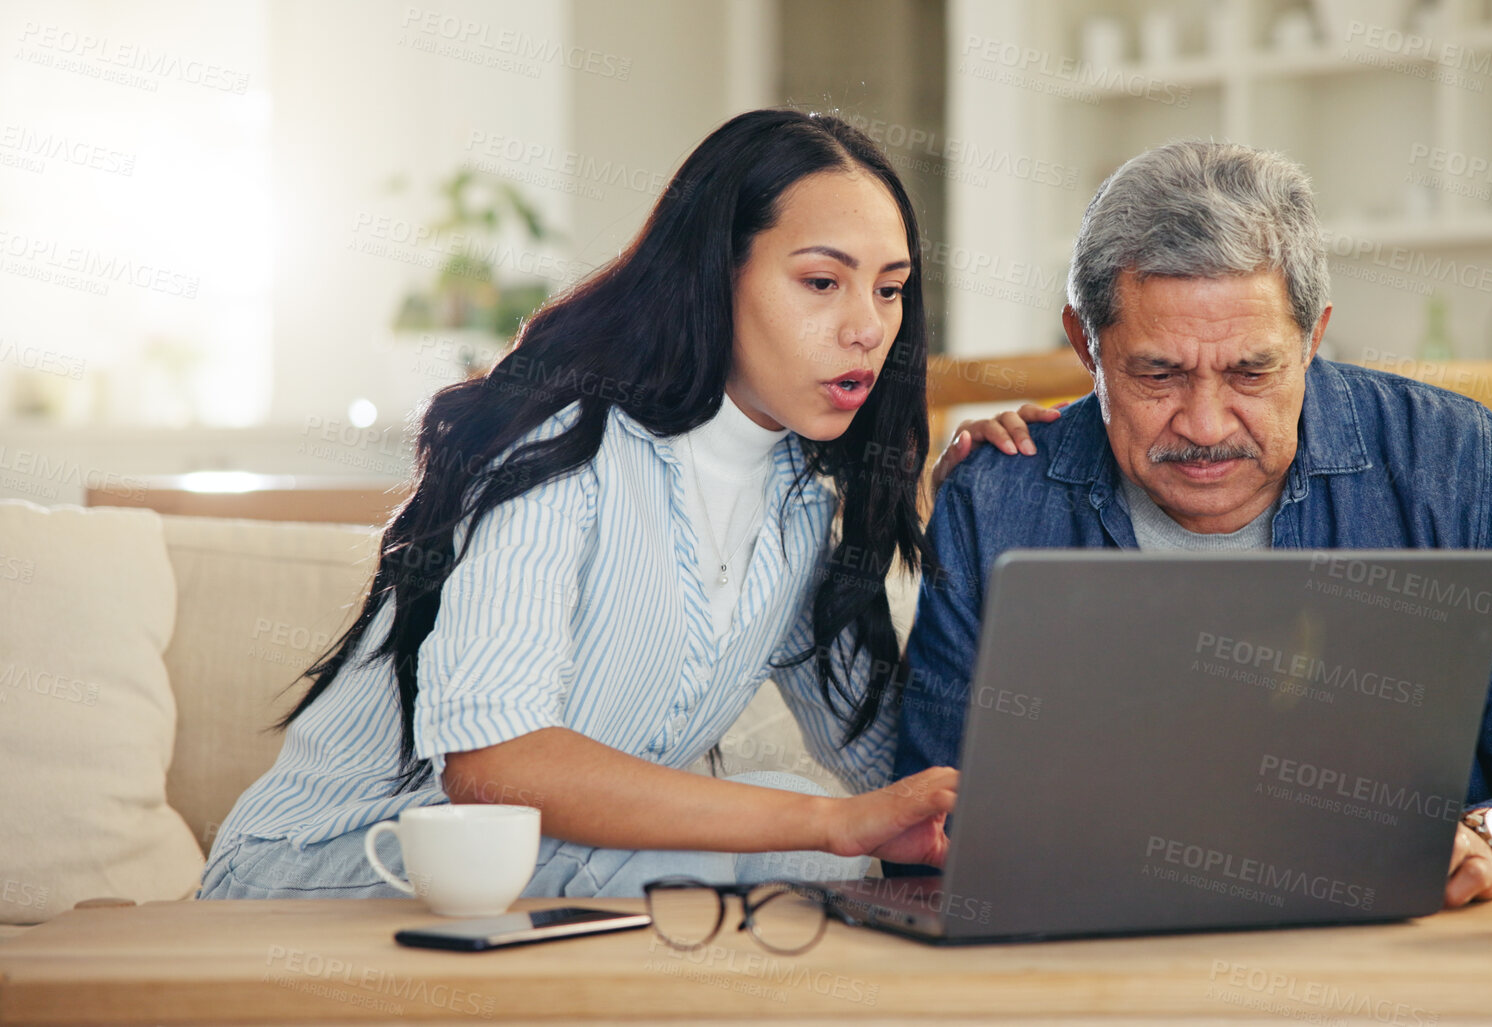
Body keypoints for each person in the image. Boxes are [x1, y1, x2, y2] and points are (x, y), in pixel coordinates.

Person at [200, 109, 961, 901]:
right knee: (756, 849)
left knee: (805, 856)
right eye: (820, 282)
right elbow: (495, 766)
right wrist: (825, 821)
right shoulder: (561, 447)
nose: (868, 327)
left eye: (890, 289)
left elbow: (903, 770)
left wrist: (1005, 499)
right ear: (713, 273)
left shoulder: (803, 505)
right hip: (333, 867)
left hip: (561, 877)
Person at [895, 140, 1492, 908]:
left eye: (1251, 372)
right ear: (1084, 343)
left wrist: (1490, 836)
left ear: (1313, 336)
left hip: (1400, 954)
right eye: (1157, 374)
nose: (1203, 424)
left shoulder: (1454, 463)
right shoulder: (995, 498)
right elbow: (926, 832)